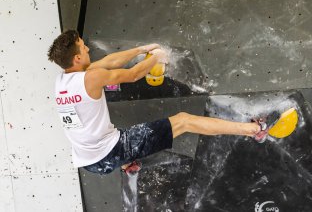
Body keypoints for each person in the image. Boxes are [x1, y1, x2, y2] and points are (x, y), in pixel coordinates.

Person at [47, 30, 267, 175]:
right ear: (77, 58)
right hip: (109, 152)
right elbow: (133, 75)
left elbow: (108, 61)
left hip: (88, 162)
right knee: (184, 121)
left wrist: (142, 49)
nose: (87, 49)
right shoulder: (90, 78)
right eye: (83, 47)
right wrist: (157, 57)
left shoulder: (62, 82)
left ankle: (125, 162)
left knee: (116, 136)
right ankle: (254, 130)